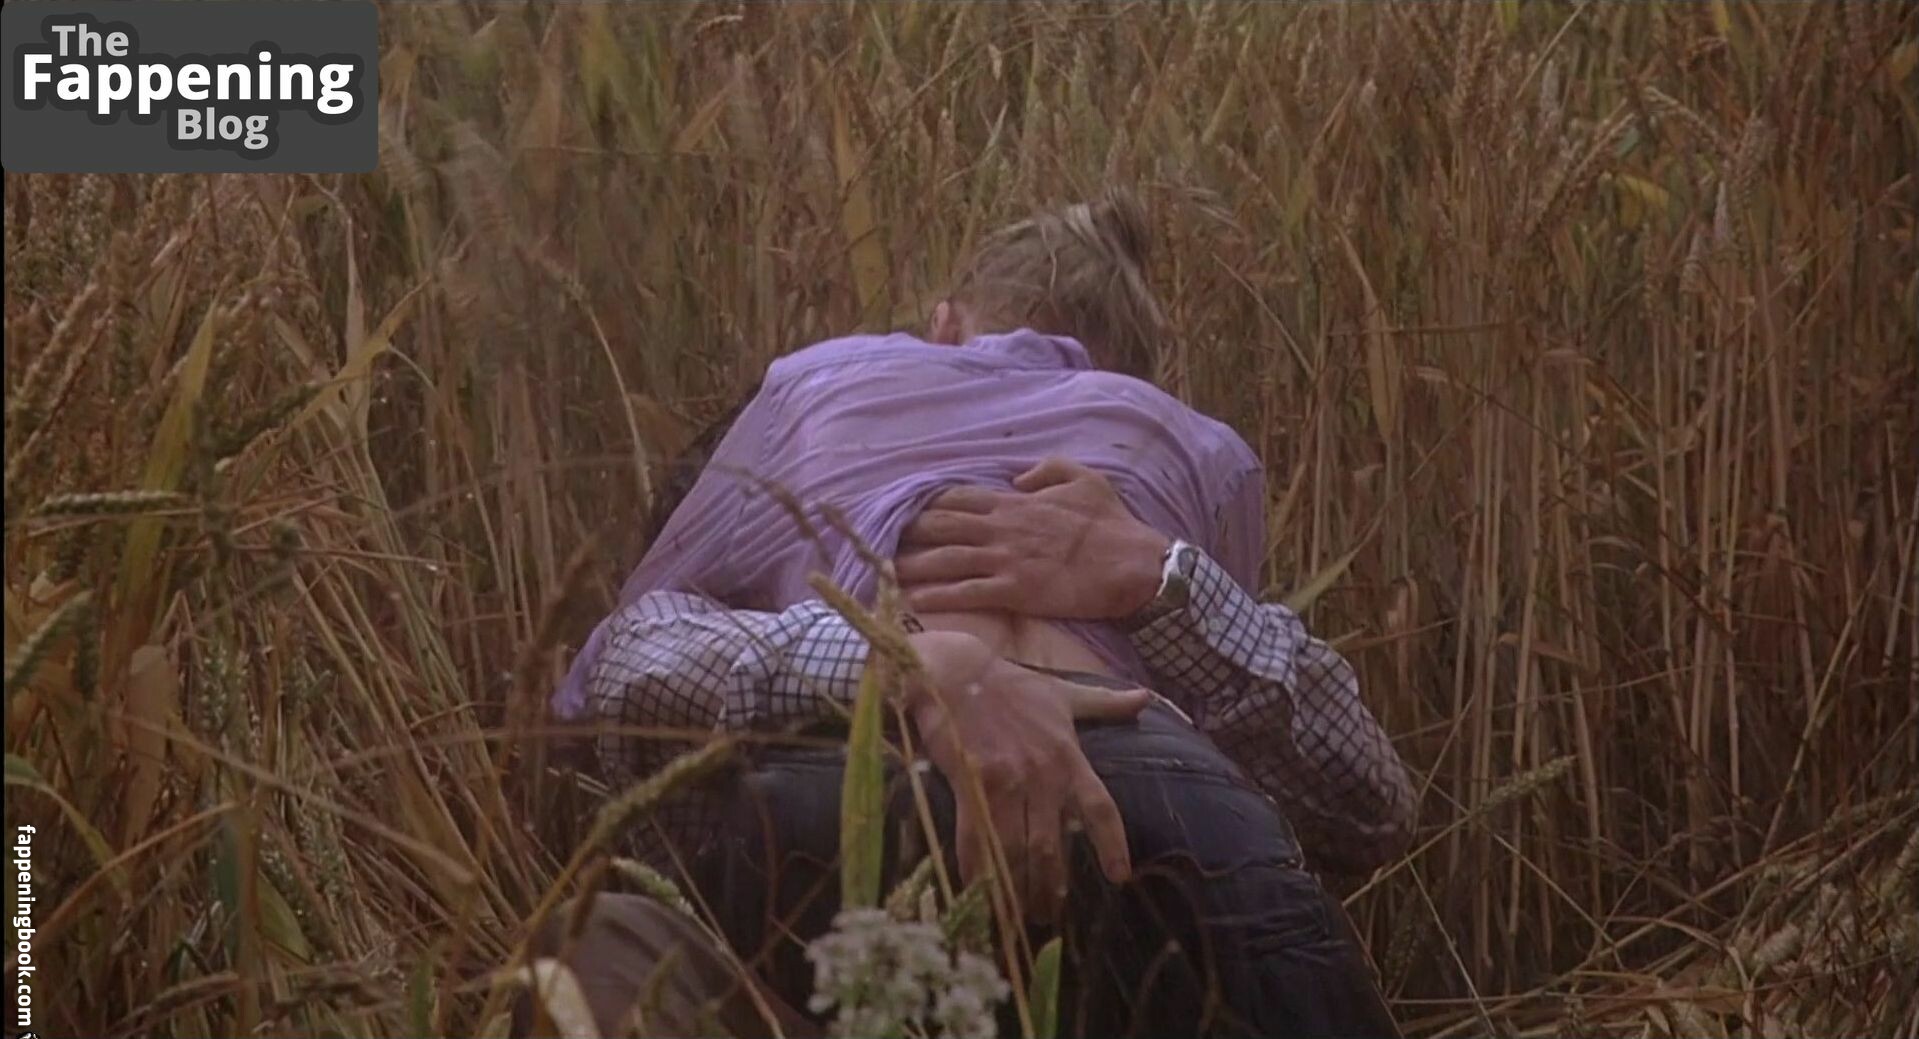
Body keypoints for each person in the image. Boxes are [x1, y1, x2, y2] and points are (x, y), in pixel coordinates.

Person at [524, 191, 1414, 1038]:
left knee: (594, 948)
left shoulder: (818, 384)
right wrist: (1167, 579)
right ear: (1134, 378)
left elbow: (625, 667)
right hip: (1165, 807)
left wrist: (894, 663)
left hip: (843, 783)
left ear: (942, 326)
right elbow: (1369, 808)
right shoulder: (1188, 447)